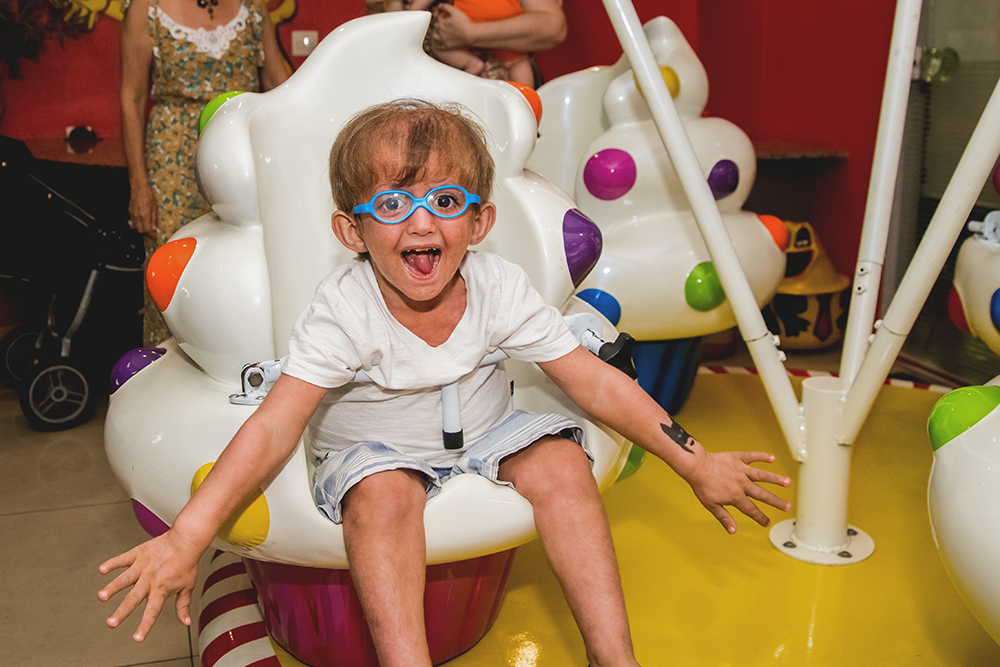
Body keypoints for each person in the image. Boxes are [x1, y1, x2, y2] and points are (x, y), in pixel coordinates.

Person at [99, 99, 791, 667]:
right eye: (392, 204)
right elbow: (276, 424)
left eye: (446, 199)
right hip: (374, 445)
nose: (422, 221)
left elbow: (595, 383)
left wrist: (695, 461)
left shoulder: (498, 286)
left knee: (562, 459)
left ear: (481, 221)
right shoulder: (345, 308)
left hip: (485, 429)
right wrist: (187, 537)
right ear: (352, 230)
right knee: (382, 494)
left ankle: (614, 657)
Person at [120, 0, 290, 347]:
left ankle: (241, 361)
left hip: (241, 152)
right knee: (174, 265)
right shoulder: (146, 7)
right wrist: (138, 184)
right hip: (172, 155)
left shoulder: (253, 7)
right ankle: (165, 375)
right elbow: (132, 96)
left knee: (246, 258)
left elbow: (279, 82)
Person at [368, 0, 566, 87]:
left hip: (502, 59)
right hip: (428, 74)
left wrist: (471, 33)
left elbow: (554, 27)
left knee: (519, 78)